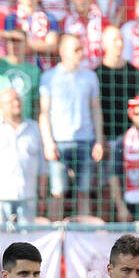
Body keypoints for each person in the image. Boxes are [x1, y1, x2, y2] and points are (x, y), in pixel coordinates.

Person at [39, 33, 105, 218]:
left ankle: (84, 236)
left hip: (85, 140)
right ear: (63, 52)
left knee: (84, 192)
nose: (80, 53)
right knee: (57, 192)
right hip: (59, 141)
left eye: (81, 48)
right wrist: (48, 142)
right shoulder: (49, 77)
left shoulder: (90, 76)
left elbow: (95, 110)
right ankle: (54, 235)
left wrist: (98, 141)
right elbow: (44, 112)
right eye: (76, 49)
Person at [0, 86, 44, 223]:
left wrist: (41, 195)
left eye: (17, 99)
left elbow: (42, 166)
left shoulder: (34, 128)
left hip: (27, 196)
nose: (16, 103)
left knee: (26, 242)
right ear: (1, 106)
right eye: (11, 101)